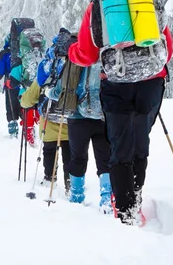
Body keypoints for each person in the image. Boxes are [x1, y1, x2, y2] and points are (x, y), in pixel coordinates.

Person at [68, 0, 173, 225]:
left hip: (117, 82)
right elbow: (168, 47)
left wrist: (71, 51)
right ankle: (135, 197)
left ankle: (126, 211)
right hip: (152, 81)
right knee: (140, 141)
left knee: (120, 146)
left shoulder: (99, 4)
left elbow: (86, 55)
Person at [38, 31, 112, 212]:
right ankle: (107, 199)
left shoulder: (76, 58)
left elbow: (61, 89)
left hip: (77, 118)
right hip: (103, 116)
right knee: (105, 159)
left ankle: (77, 198)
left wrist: (47, 93)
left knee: (78, 158)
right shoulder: (107, 57)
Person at [19, 77, 70, 193]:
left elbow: (27, 101)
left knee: (49, 152)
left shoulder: (48, 70)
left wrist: (23, 99)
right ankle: (71, 184)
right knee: (71, 157)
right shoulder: (76, 67)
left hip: (49, 124)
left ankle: (49, 180)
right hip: (71, 124)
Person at [0, 34, 20, 137]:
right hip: (24, 85)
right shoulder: (25, 51)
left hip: (10, 84)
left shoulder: (5, 53)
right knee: (25, 107)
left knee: (11, 108)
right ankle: (29, 129)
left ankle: (13, 131)